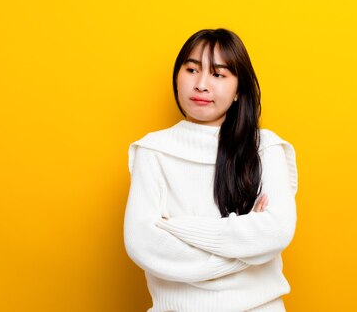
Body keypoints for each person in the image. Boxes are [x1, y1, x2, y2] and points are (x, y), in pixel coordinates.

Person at [123, 28, 298, 312]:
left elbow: (277, 231)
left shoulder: (265, 147)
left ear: (239, 89)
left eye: (218, 74)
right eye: (192, 70)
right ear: (177, 78)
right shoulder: (153, 150)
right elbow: (142, 244)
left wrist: (176, 227)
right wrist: (248, 249)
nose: (201, 84)